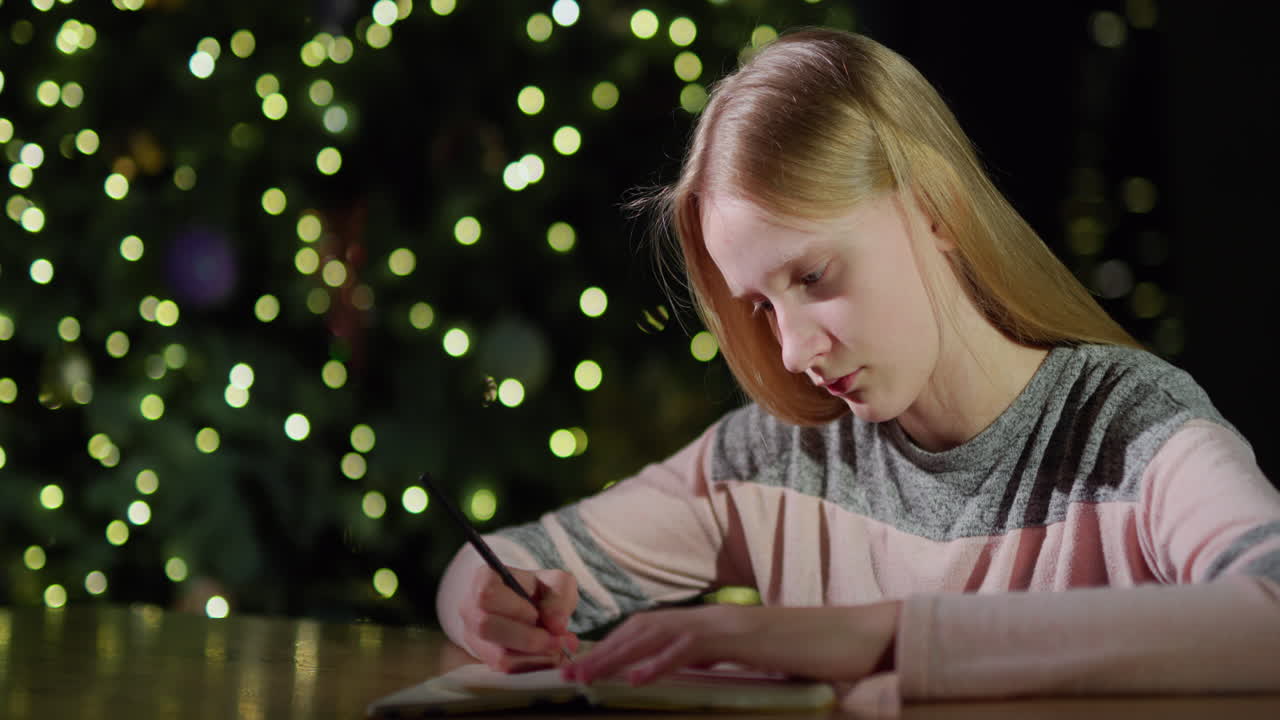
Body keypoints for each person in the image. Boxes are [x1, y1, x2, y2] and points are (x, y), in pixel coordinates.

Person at [436, 28, 1280, 708]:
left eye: (814, 277)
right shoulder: (774, 462)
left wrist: (882, 638)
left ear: (935, 206)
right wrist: (489, 601)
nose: (794, 352)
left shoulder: (1128, 429)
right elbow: (496, 567)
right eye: (763, 307)